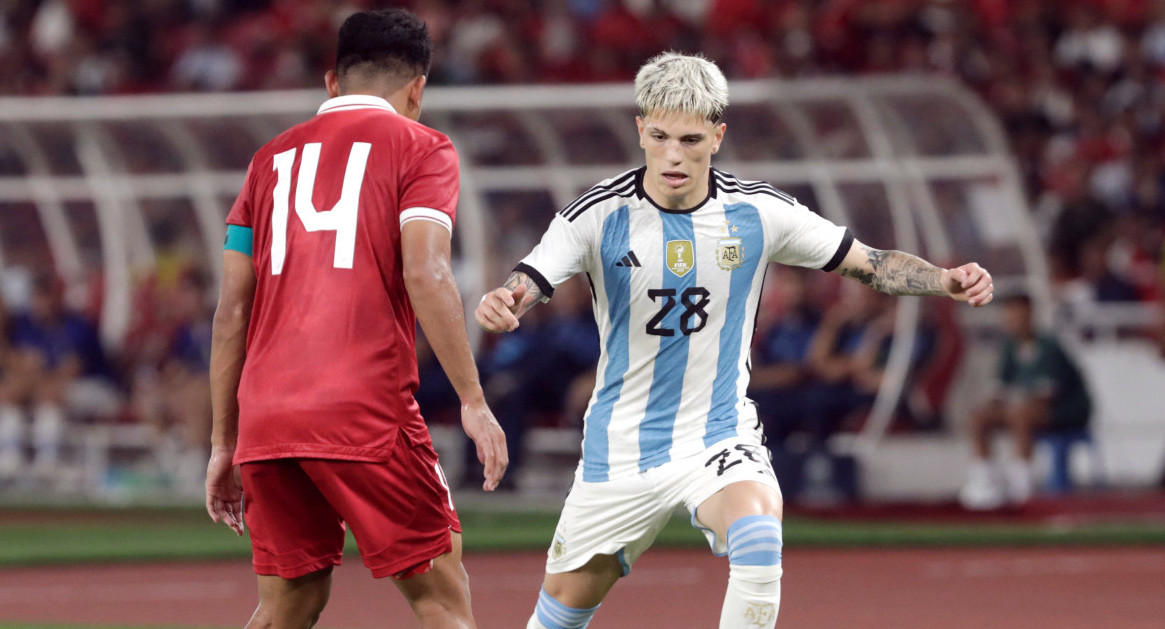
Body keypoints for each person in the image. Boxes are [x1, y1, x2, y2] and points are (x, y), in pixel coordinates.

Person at [475, 52, 993, 629]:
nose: (675, 155)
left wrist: (943, 280)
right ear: (640, 130)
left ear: (718, 136)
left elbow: (869, 264)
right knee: (561, 614)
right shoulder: (597, 215)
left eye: (692, 139)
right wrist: (507, 299)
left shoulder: (758, 212)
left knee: (758, 530)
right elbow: (531, 280)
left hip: (717, 433)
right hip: (620, 447)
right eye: (661, 136)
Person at [205, 9, 508, 629]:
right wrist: (473, 399)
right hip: (363, 409)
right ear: (418, 88)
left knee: (289, 603)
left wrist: (222, 440)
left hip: (266, 415)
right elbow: (426, 272)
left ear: (331, 83)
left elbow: (232, 311)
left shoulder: (267, 163)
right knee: (441, 597)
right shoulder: (423, 148)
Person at [960, 293, 1092, 510]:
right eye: (1008, 315)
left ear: (1030, 314)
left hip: (1065, 411)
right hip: (1022, 407)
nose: (1011, 320)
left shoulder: (1049, 346)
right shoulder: (1010, 348)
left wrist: (1012, 402)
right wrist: (994, 406)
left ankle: (1021, 485)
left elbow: (1046, 395)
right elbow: (999, 389)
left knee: (1019, 414)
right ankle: (984, 481)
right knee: (979, 416)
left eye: (1017, 314)